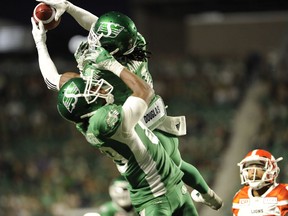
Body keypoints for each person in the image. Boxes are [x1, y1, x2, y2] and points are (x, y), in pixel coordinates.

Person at [33, 0, 223, 210]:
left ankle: (186, 200)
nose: (93, 38)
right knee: (177, 164)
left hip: (140, 123)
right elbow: (98, 26)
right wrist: (68, 7)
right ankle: (208, 195)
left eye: (98, 39)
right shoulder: (134, 43)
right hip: (155, 114)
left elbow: (52, 80)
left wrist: (40, 42)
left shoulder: (102, 75)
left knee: (170, 170)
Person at [57, 44, 200, 215]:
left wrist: (41, 43)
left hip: (157, 186)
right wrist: (111, 64)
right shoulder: (105, 121)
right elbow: (145, 91)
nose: (97, 89)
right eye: (92, 91)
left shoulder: (87, 123)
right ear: (86, 105)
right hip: (154, 194)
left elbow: (56, 81)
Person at [232, 149, 288, 216]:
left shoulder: (284, 192)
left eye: (258, 166)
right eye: (250, 167)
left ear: (272, 170)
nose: (253, 172)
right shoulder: (239, 196)